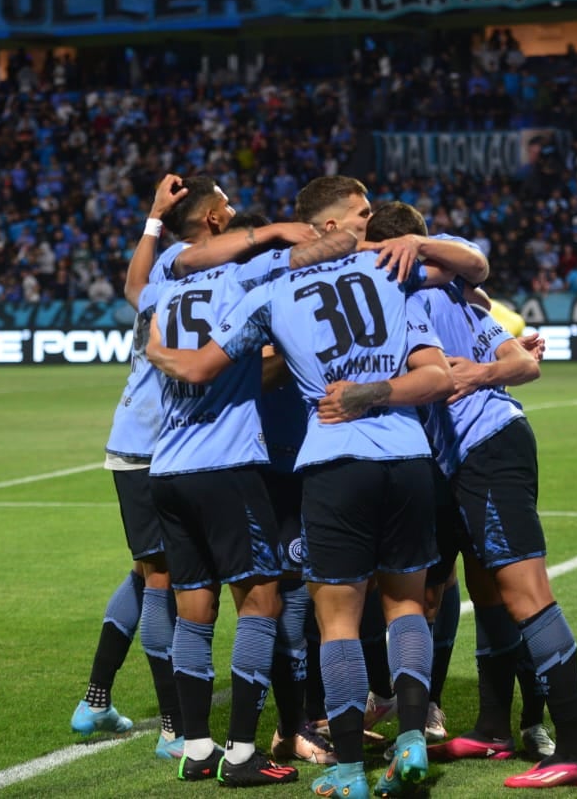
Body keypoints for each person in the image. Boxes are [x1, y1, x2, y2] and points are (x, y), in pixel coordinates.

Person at [147, 176, 479, 798]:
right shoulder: (390, 264)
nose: (370, 221)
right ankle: (412, 735)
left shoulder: (271, 287)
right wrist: (416, 241)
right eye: (361, 213)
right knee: (406, 604)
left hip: (332, 461)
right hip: (409, 456)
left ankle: (349, 768)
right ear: (331, 226)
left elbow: (197, 368)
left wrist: (158, 351)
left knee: (337, 622)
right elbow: (474, 268)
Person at [359, 202, 577, 789]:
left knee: (526, 593)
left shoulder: (420, 292)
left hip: (487, 446)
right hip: (473, 454)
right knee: (486, 590)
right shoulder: (460, 296)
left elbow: (515, 360)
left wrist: (472, 376)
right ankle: (495, 728)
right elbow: (521, 358)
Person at [146, 210, 356, 788]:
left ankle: (195, 748)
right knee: (262, 603)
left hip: (167, 469)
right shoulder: (246, 280)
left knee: (194, 606)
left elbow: (161, 276)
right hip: (227, 467)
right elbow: (334, 247)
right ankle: (241, 754)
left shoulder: (167, 286)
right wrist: (302, 232)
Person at [71, 176, 192, 755]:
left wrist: (151, 217)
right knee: (162, 581)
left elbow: (132, 282)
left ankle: (95, 701)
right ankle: (174, 729)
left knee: (145, 573)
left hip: (141, 441)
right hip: (150, 446)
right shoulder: (185, 276)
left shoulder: (159, 280)